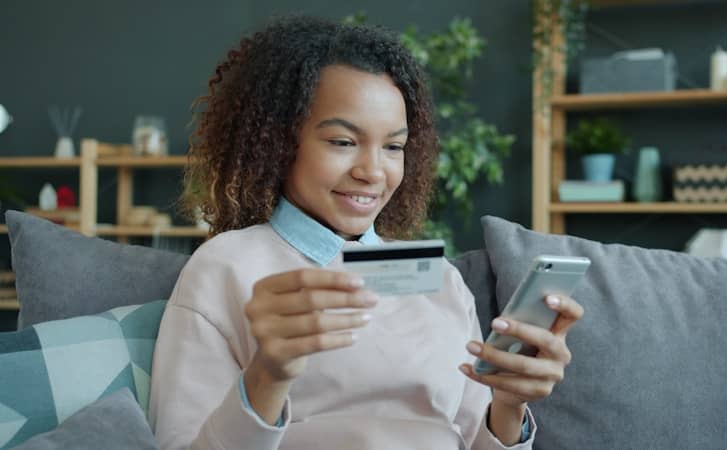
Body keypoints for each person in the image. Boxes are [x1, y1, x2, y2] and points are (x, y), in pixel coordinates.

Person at [149, 15, 584, 450]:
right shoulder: (227, 266)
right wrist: (268, 374)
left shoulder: (440, 279)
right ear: (280, 143)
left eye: (393, 147)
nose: (373, 171)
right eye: (342, 142)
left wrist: (507, 407)